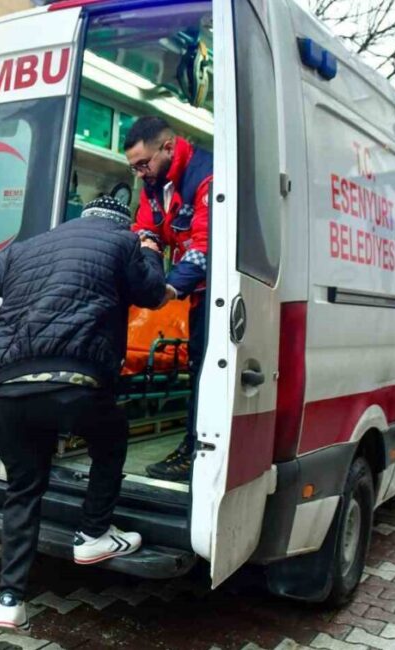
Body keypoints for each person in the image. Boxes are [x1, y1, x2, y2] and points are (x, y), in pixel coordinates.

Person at [0, 196, 168, 631]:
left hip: (5, 385)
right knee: (112, 435)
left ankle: (10, 599)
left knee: (24, 487)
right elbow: (153, 294)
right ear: (121, 223)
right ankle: (93, 533)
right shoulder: (124, 241)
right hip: (72, 379)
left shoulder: (29, 245)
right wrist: (152, 254)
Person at [124, 115, 214, 482]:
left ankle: (196, 451)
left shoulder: (206, 176)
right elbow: (145, 227)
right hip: (196, 295)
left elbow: (206, 246)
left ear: (169, 147)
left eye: (143, 164)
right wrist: (145, 253)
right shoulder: (154, 184)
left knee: (208, 370)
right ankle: (191, 447)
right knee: (197, 367)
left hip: (217, 295)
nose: (140, 174)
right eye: (134, 167)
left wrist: (169, 289)